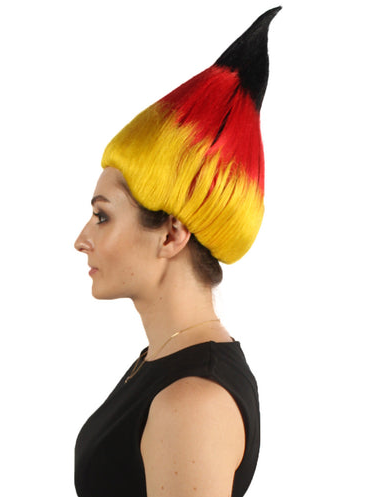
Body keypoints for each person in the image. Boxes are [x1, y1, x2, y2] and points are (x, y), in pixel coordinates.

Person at [74, 7, 281, 497]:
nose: (81, 239)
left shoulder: (193, 401)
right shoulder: (164, 360)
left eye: (102, 216)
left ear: (171, 235)